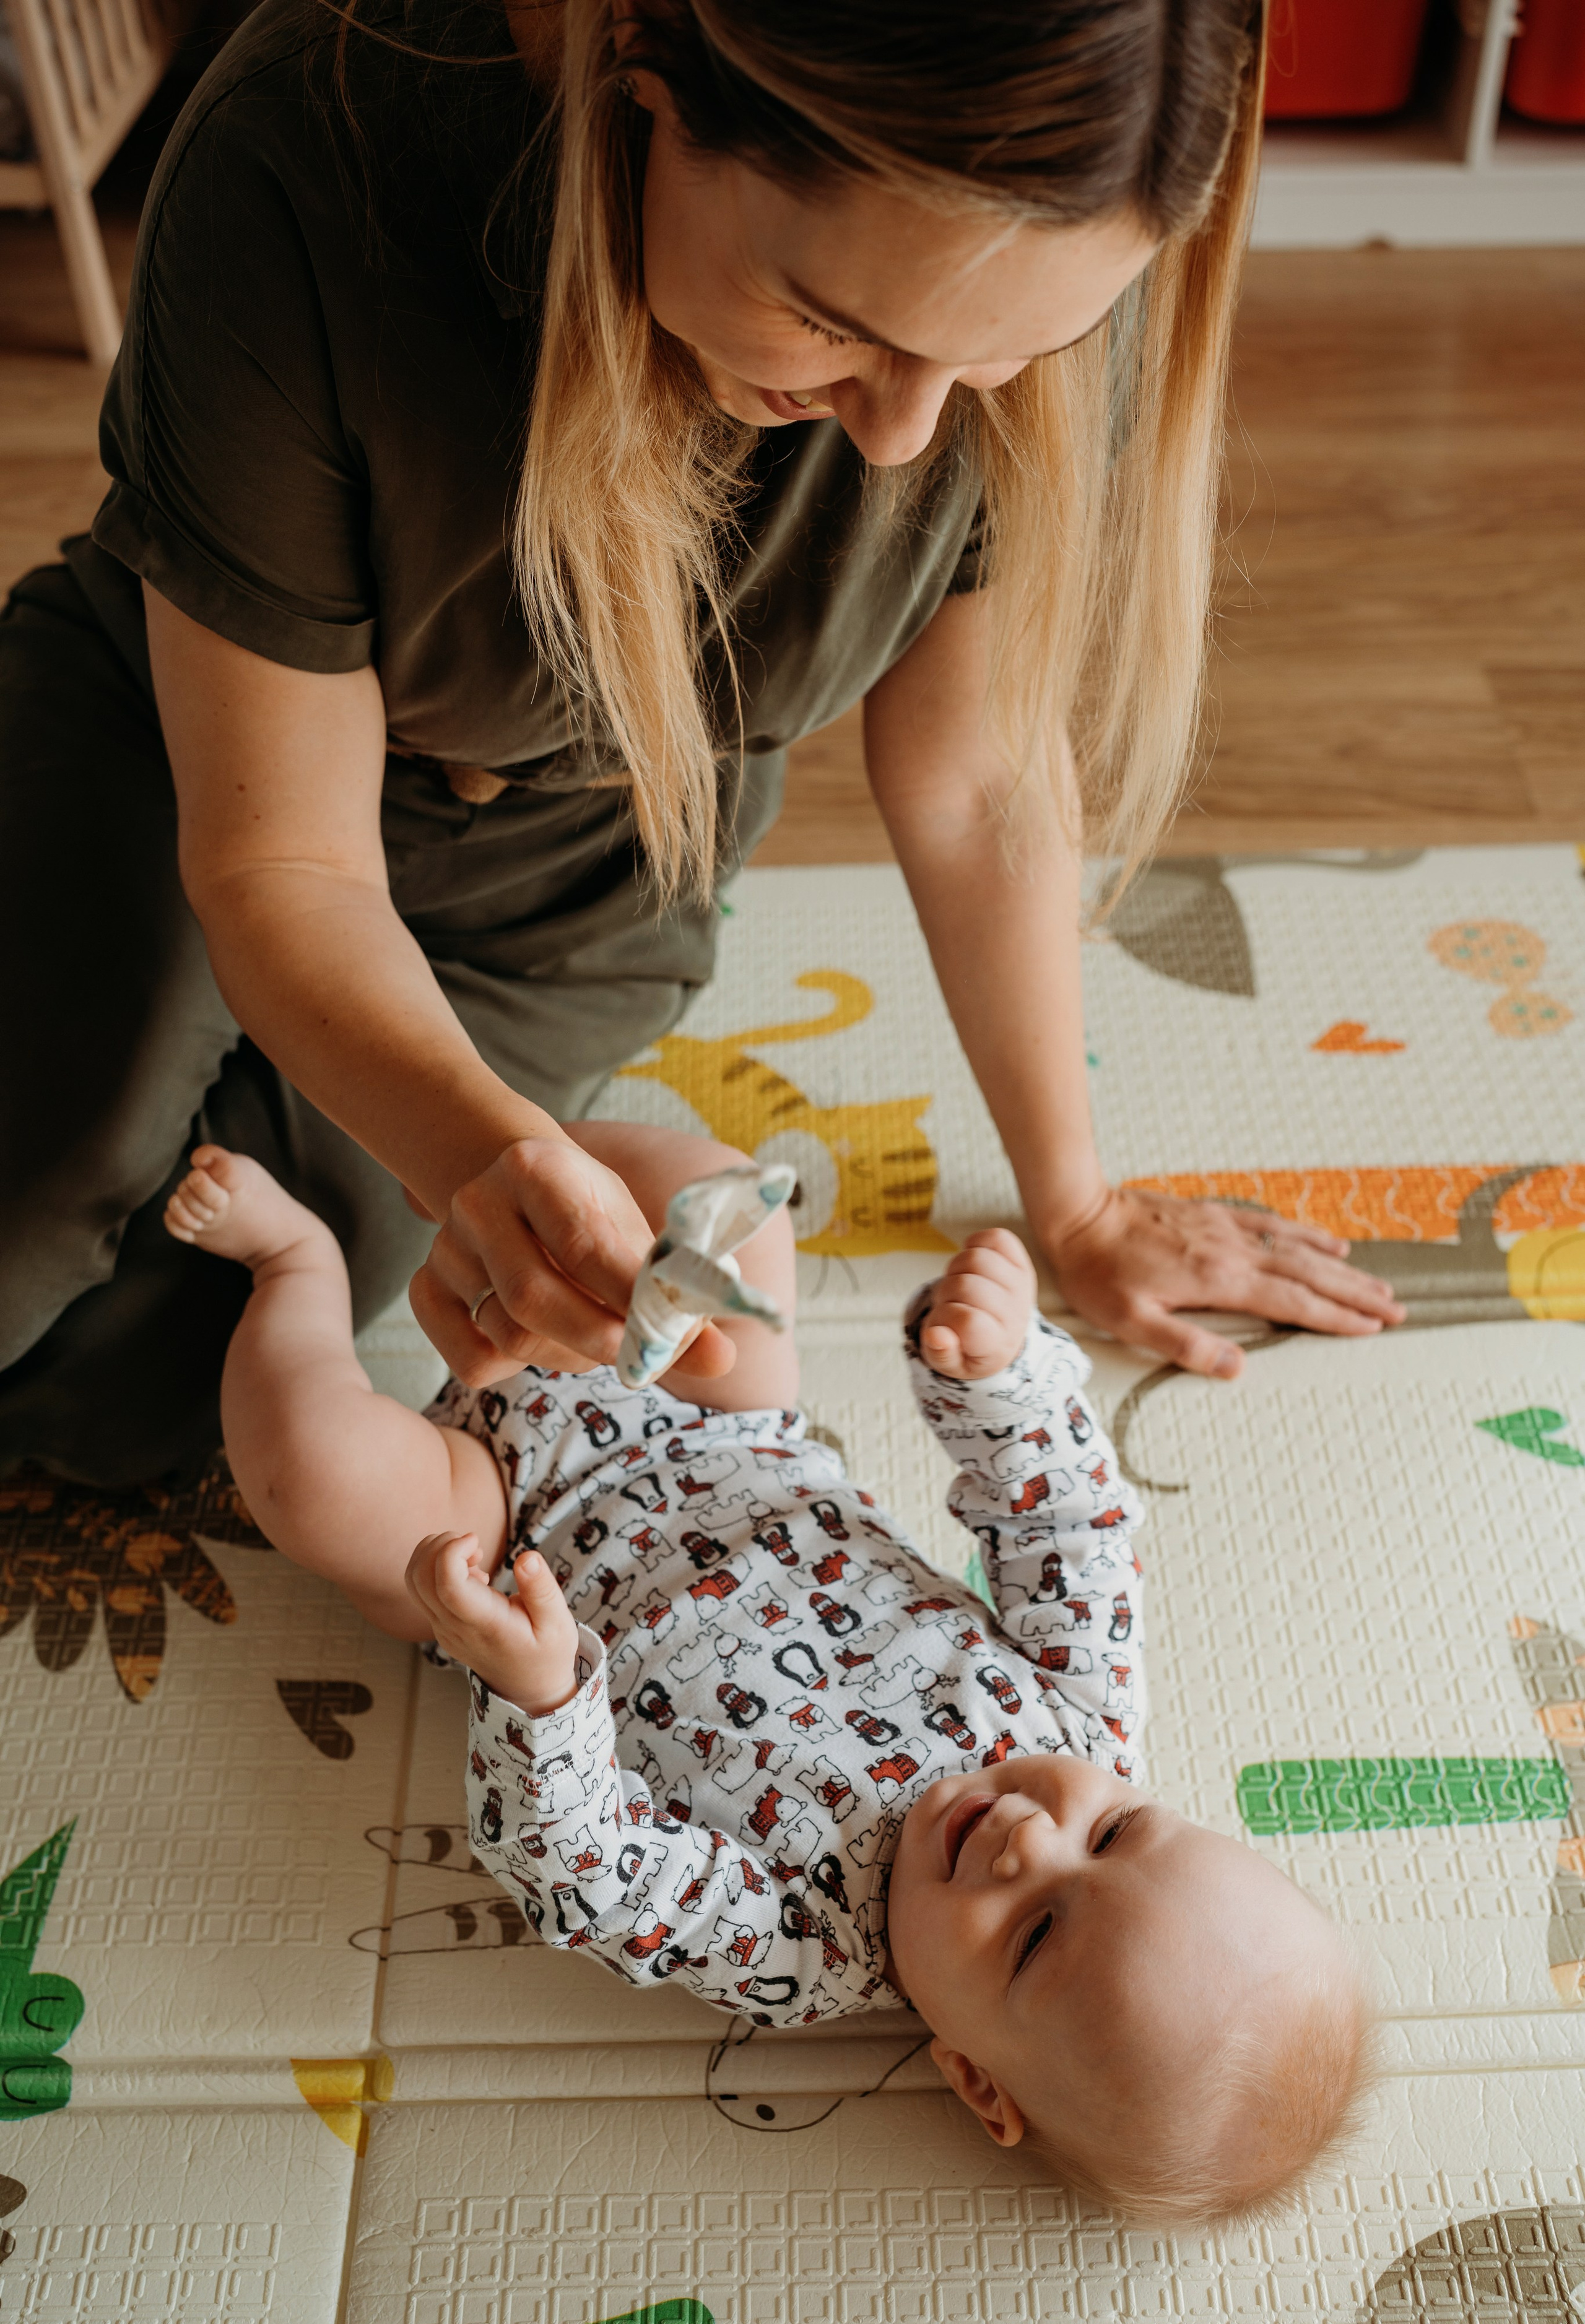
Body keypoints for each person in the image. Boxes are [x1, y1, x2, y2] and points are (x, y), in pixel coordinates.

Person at [0, 0, 1404, 1488]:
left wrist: (1077, 1209)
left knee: (145, 1397)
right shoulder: (310, 149)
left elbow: (978, 779)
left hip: (571, 889)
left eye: (1002, 360)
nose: (900, 437)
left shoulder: (1042, 250)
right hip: (178, 758)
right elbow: (285, 856)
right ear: (647, 71)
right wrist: (480, 1156)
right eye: (831, 325)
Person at [161, 1126, 1370, 2222]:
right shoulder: (1085, 1721)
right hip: (712, 1408)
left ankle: (297, 1272)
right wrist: (998, 1377)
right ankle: (499, 1169)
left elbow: (590, 1870)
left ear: (970, 2077)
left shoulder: (801, 1948)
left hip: (501, 1534)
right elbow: (1065, 1525)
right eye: (1114, 1836)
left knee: (312, 1480)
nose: (1027, 1839)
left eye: (1038, 1933)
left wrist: (537, 1693)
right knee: (724, 1196)